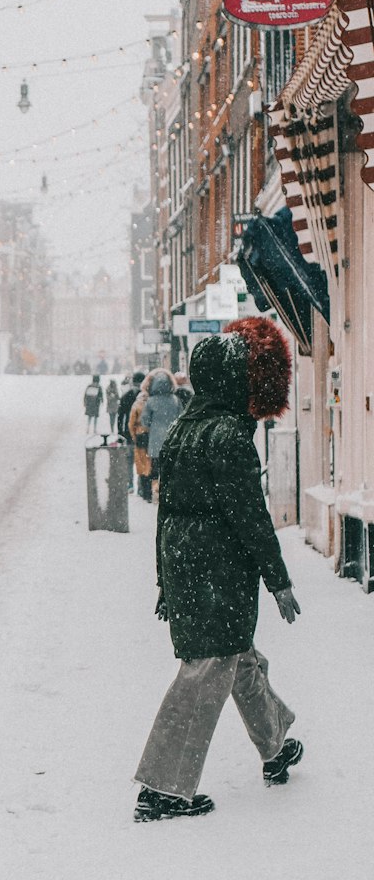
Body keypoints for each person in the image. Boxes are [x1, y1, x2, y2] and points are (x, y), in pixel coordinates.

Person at [134, 318, 303, 821]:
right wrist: (280, 581)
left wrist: (166, 578)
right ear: (235, 379)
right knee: (205, 675)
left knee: (239, 660)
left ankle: (275, 748)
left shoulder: (186, 428)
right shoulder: (228, 434)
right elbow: (251, 516)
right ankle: (161, 789)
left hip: (189, 566)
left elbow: (167, 511)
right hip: (219, 572)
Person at [141, 370, 182, 497]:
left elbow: (145, 421)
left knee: (155, 467)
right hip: (172, 438)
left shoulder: (151, 401)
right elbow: (180, 417)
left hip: (155, 440)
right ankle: (169, 491)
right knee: (170, 467)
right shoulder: (175, 400)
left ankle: (155, 491)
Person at [129, 379, 153, 502]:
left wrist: (134, 435)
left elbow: (131, 423)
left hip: (139, 435)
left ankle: (144, 491)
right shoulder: (151, 403)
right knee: (149, 462)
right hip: (150, 435)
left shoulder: (136, 405)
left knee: (141, 463)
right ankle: (150, 491)